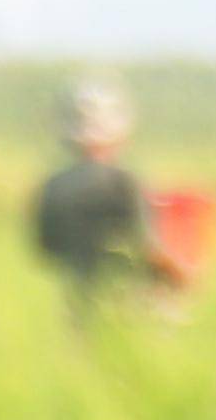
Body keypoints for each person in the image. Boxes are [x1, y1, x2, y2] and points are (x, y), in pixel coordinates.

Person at [31, 78, 164, 321]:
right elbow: (149, 246)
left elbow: (46, 248)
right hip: (128, 300)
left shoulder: (54, 185)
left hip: (78, 298)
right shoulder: (126, 182)